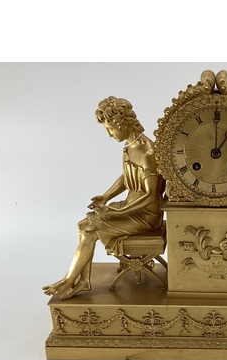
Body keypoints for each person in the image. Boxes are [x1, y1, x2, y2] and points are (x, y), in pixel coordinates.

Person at [43, 97, 165, 300]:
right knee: (83, 225)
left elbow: (151, 195)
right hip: (131, 206)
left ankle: (71, 280)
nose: (109, 135)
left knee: (90, 229)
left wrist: (118, 212)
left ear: (121, 124)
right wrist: (106, 197)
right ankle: (81, 280)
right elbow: (127, 177)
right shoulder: (131, 145)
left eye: (110, 129)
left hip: (145, 214)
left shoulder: (146, 151)